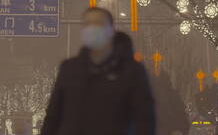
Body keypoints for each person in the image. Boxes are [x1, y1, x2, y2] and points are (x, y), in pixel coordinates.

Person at [40, 7, 155, 135]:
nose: (92, 28)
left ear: (111, 30)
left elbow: (145, 118)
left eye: (98, 23)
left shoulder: (131, 70)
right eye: (87, 24)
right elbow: (53, 116)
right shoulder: (69, 68)